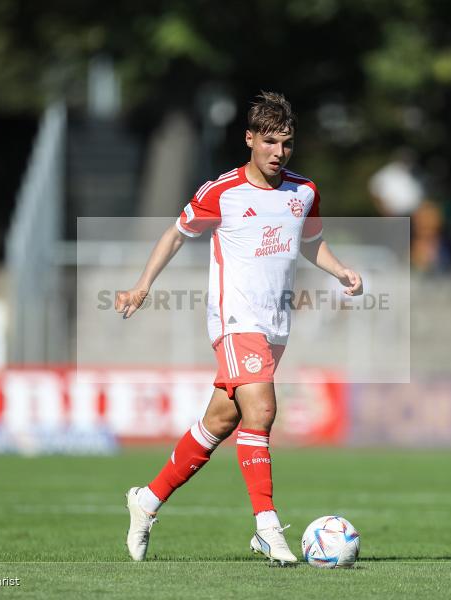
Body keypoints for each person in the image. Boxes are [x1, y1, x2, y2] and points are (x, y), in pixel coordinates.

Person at [115, 91, 362, 564]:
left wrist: (341, 270)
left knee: (221, 421)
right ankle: (268, 527)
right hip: (234, 320)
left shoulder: (303, 192)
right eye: (269, 141)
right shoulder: (221, 191)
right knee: (263, 411)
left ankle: (145, 502)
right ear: (249, 139)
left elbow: (312, 244)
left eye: (286, 143)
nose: (278, 152)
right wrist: (142, 285)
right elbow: (175, 234)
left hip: (275, 325)